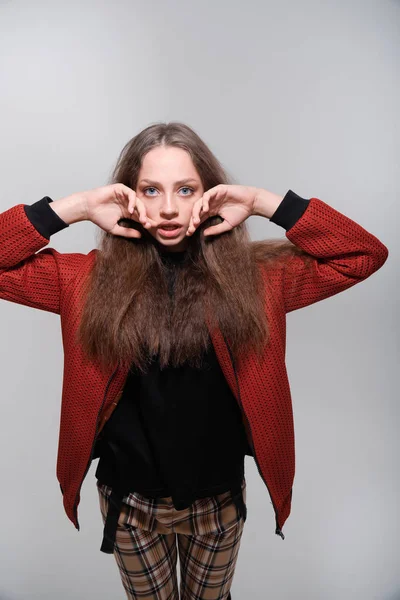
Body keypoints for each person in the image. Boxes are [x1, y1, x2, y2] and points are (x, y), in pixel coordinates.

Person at [0, 122, 388, 600]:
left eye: (186, 189)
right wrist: (75, 208)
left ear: (211, 193)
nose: (167, 207)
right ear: (127, 195)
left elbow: (363, 254)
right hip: (130, 503)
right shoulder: (82, 280)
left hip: (218, 501)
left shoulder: (259, 280)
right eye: (150, 190)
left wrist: (265, 202)